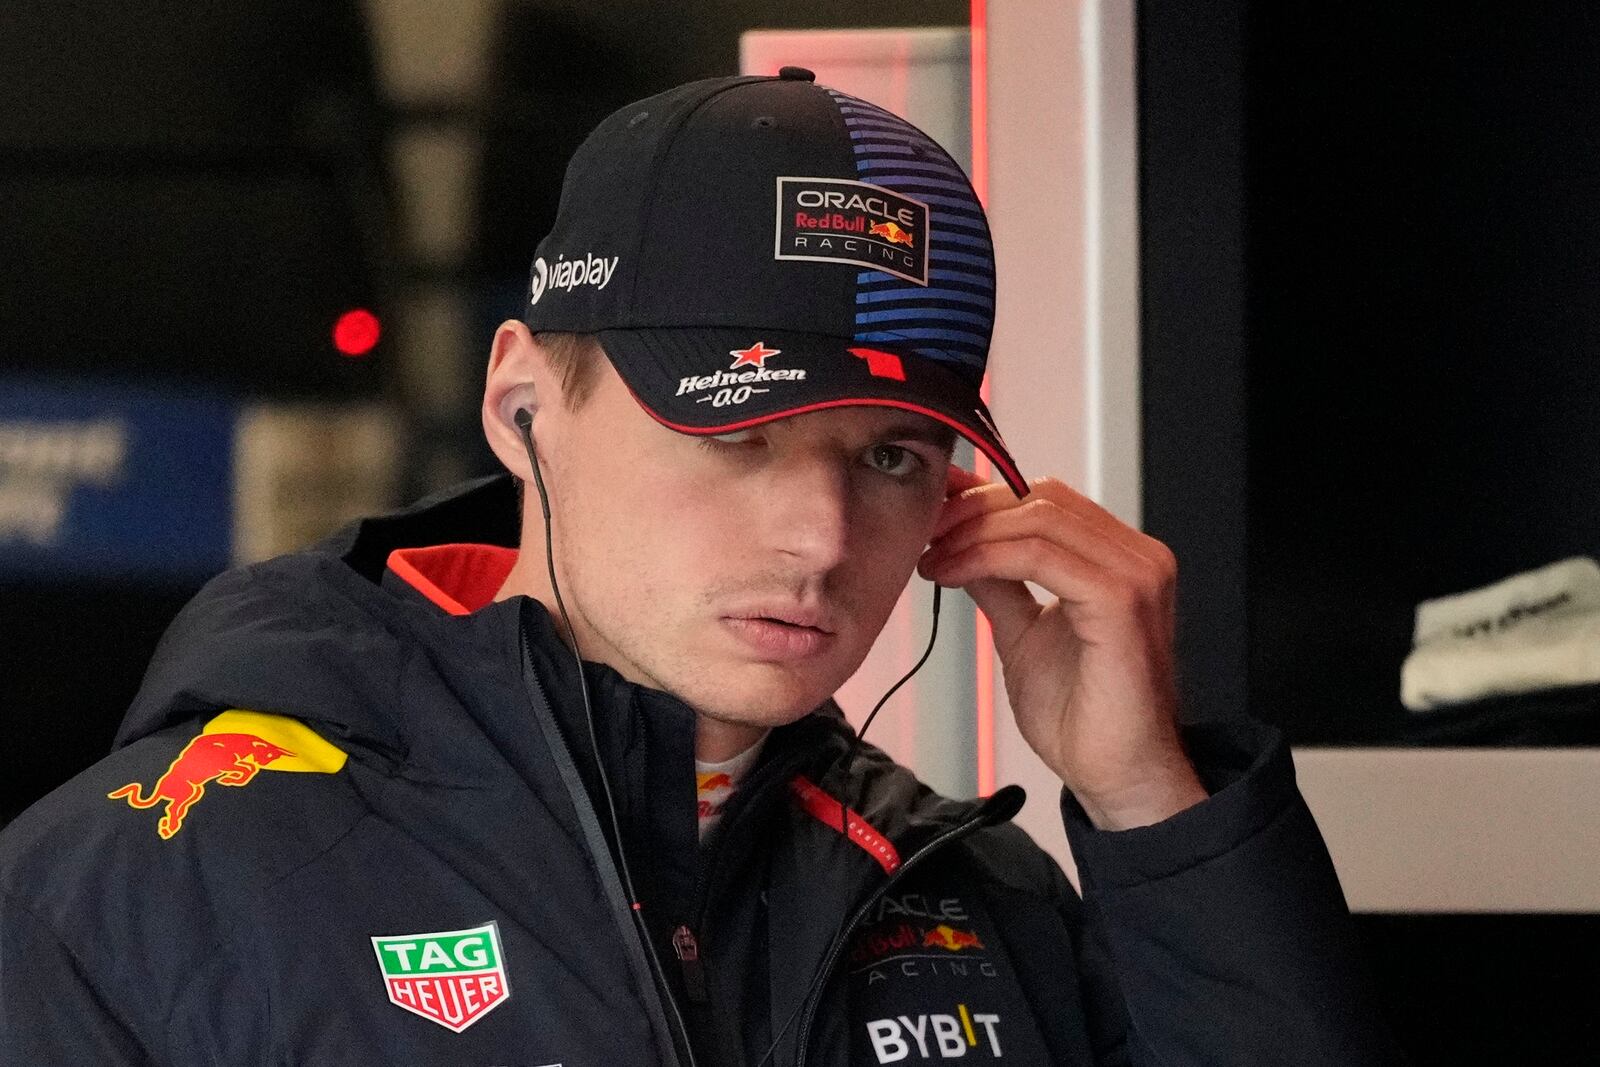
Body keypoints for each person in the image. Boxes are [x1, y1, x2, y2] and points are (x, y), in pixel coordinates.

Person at [0, 68, 1403, 1065]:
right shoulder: (140, 886)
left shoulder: (971, 904)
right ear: (521, 401)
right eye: (737, 433)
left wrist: (1152, 806)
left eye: (893, 456)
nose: (821, 539)